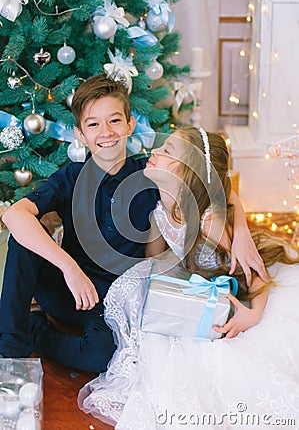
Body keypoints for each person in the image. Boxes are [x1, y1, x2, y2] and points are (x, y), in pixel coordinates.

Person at [0, 75, 266, 373]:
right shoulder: (70, 178)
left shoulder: (152, 172)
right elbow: (13, 215)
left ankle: (36, 331)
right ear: (79, 134)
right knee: (22, 238)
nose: (106, 132)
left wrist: (240, 231)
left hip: (112, 301)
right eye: (93, 124)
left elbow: (214, 187)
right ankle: (10, 348)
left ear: (130, 125)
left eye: (114, 121)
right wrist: (69, 268)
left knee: (100, 356)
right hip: (66, 289)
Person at [78, 126, 299, 428]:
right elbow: (154, 262)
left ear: (187, 172)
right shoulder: (160, 209)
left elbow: (255, 277)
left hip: (237, 285)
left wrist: (252, 315)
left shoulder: (209, 223)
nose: (154, 151)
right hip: (195, 279)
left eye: (167, 151)